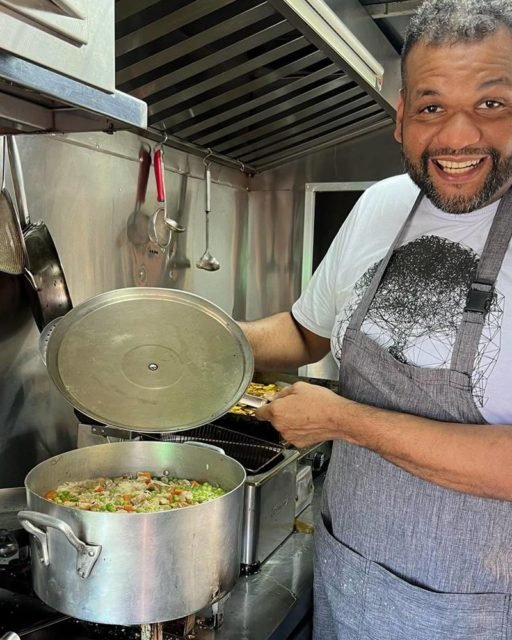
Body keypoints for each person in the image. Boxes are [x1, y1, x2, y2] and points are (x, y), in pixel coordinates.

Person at [240, 1, 512, 637]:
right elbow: (308, 330)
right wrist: (211, 341)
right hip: (347, 570)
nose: (457, 136)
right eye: (431, 105)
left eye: (491, 103)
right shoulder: (379, 206)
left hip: (475, 608)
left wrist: (341, 420)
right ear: (400, 118)